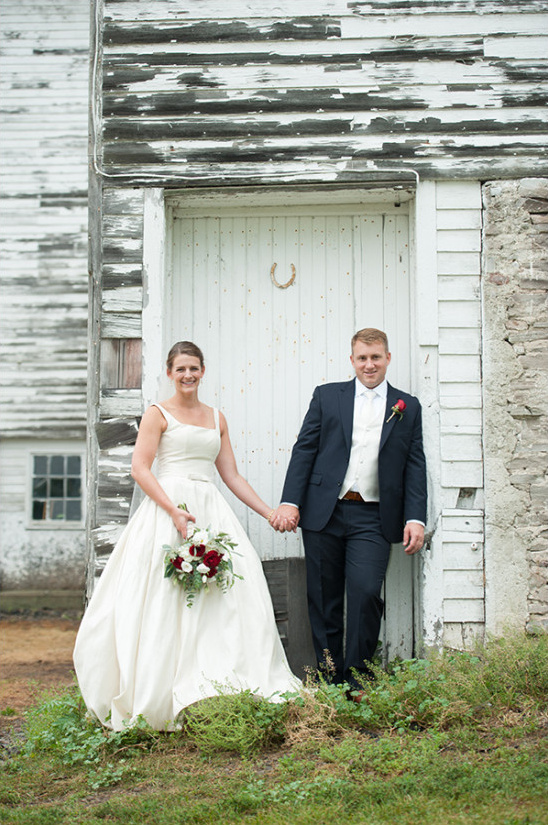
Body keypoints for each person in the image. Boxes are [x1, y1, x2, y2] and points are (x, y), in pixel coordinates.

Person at [74, 341, 300, 730]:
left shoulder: (216, 418)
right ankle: (160, 688)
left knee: (224, 598)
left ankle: (218, 681)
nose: (188, 375)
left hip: (210, 508)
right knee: (164, 599)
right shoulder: (157, 414)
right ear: (170, 372)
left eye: (194, 368)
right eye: (180, 369)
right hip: (169, 508)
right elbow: (141, 469)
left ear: (203, 370)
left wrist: (267, 512)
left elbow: (231, 476)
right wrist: (173, 510)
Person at [270, 328, 427, 691]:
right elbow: (304, 449)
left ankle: (358, 680)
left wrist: (415, 517)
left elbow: (414, 464)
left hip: (374, 516)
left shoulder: (408, 406)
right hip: (325, 512)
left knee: (366, 591)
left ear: (388, 358)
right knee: (324, 599)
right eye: (362, 357)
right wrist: (290, 501)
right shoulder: (327, 397)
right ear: (352, 360)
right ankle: (330, 679)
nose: (369, 364)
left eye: (375, 357)